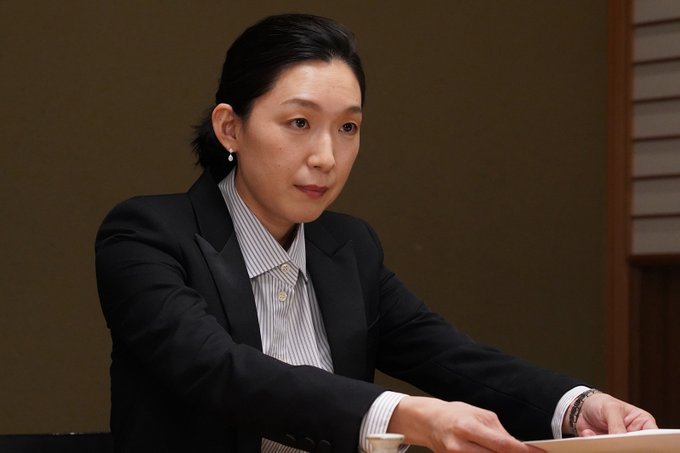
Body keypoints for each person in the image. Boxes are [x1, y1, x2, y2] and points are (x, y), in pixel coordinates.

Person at [95, 13, 656, 453]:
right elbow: (219, 370)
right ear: (230, 128)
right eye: (299, 123)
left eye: (348, 127)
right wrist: (404, 414)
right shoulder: (147, 235)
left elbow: (452, 357)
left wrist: (576, 406)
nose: (326, 156)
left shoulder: (348, 247)